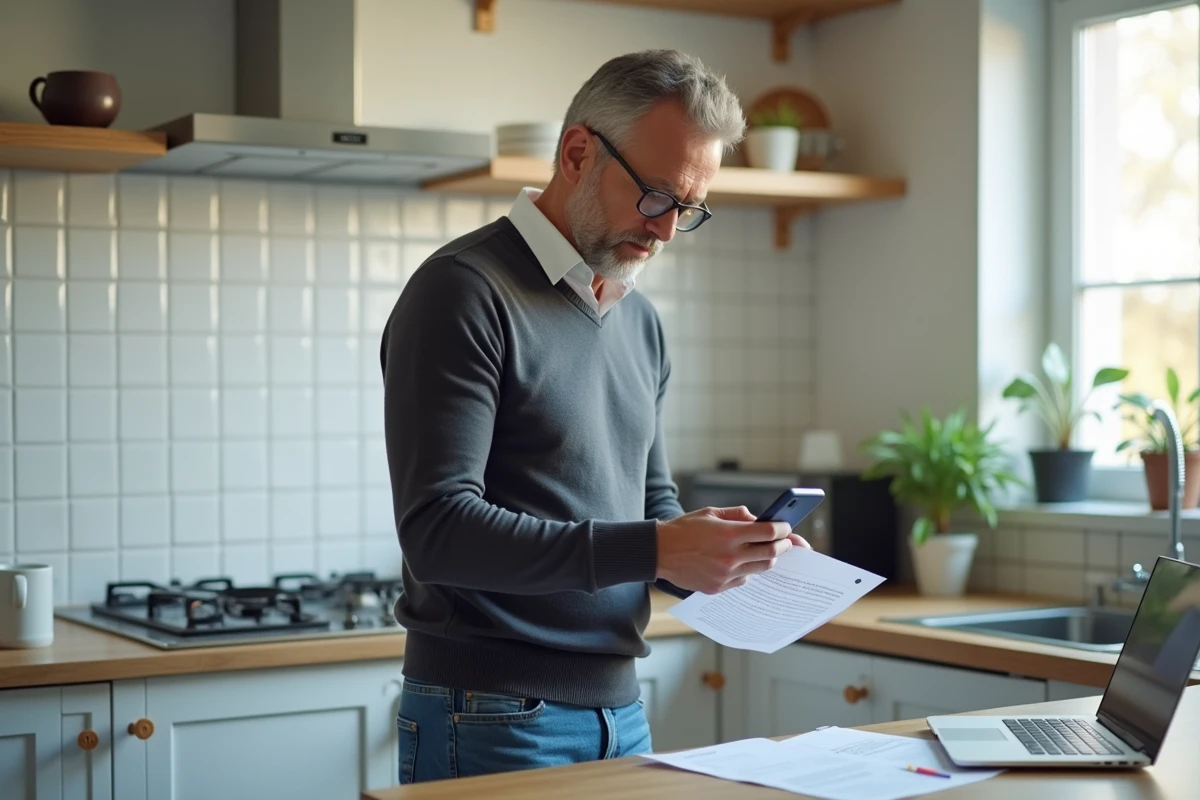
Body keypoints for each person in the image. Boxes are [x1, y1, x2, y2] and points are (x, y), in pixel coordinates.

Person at [379, 48, 809, 784]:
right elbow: (438, 532)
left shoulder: (639, 321)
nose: (667, 231)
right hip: (488, 712)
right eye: (656, 196)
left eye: (689, 209)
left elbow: (650, 503)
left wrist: (717, 554)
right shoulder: (463, 293)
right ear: (577, 153)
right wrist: (657, 549)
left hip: (622, 712)